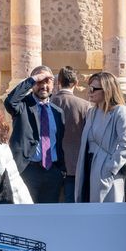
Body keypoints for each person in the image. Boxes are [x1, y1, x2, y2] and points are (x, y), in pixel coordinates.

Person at [4, 65, 66, 203]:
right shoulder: (22, 106)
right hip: (27, 171)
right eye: (39, 82)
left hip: (52, 172)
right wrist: (33, 79)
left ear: (53, 84)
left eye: (47, 81)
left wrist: (60, 170)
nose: (43, 86)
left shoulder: (58, 112)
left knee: (50, 213)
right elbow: (10, 101)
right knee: (26, 213)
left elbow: (59, 142)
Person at [75, 72, 126, 202]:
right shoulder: (91, 112)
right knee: (87, 206)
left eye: (94, 89)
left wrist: (110, 168)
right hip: (88, 165)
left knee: (107, 210)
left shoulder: (119, 111)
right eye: (89, 88)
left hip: (106, 169)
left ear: (107, 90)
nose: (90, 92)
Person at [50, 67, 90, 202]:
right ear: (76, 83)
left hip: (51, 164)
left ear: (58, 82)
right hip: (75, 164)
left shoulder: (49, 103)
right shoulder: (85, 106)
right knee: (72, 205)